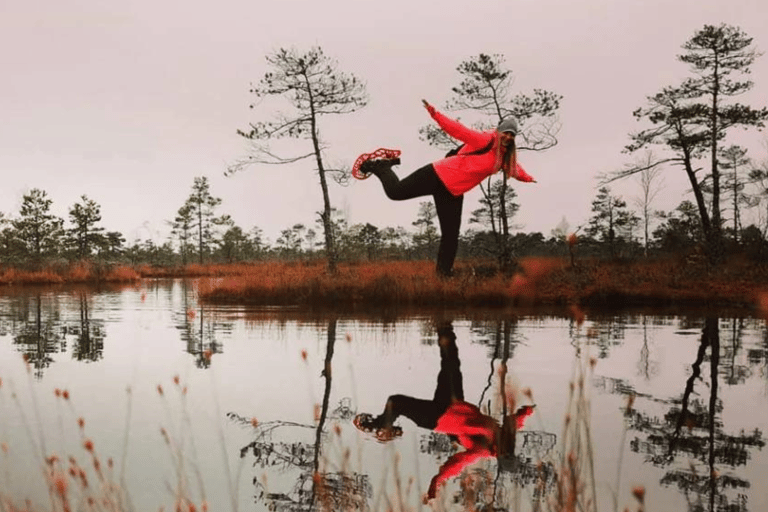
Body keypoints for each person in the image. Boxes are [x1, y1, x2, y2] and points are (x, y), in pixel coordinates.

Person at [353, 324, 535, 502]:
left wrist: (436, 482)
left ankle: (380, 425)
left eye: (501, 455)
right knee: (451, 360)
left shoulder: (482, 450)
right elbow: (515, 422)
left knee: (396, 402)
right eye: (506, 452)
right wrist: (527, 411)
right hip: (453, 402)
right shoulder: (505, 436)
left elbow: (457, 463)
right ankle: (443, 324)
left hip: (439, 419)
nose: (501, 451)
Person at [354, 100, 536, 277]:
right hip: (438, 174)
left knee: (450, 236)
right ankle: (382, 167)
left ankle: (443, 275)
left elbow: (515, 169)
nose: (508, 137)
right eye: (506, 132)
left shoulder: (504, 158)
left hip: (453, 192)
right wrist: (435, 114)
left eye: (512, 135)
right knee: (395, 192)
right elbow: (459, 130)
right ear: (499, 131)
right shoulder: (486, 140)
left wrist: (528, 178)